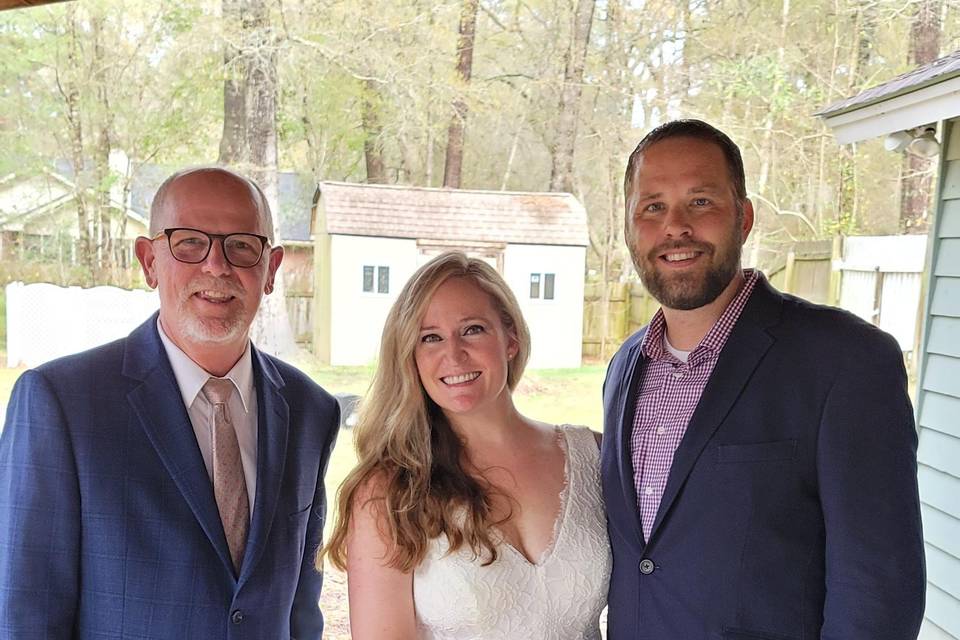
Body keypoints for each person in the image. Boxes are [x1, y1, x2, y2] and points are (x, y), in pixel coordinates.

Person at [600, 119, 926, 639]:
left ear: (744, 218)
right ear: (628, 228)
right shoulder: (623, 369)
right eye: (652, 206)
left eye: (701, 201)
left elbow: (878, 594)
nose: (676, 226)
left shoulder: (846, 361)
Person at [0, 167, 340, 639]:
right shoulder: (62, 404)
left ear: (271, 269)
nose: (217, 266)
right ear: (149, 261)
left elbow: (302, 609)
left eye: (241, 245)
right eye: (189, 243)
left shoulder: (311, 411)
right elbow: (27, 617)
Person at [323, 252, 610, 639]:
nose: (453, 354)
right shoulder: (389, 492)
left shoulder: (594, 455)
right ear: (411, 356)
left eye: (472, 329)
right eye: (430, 338)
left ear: (510, 338)